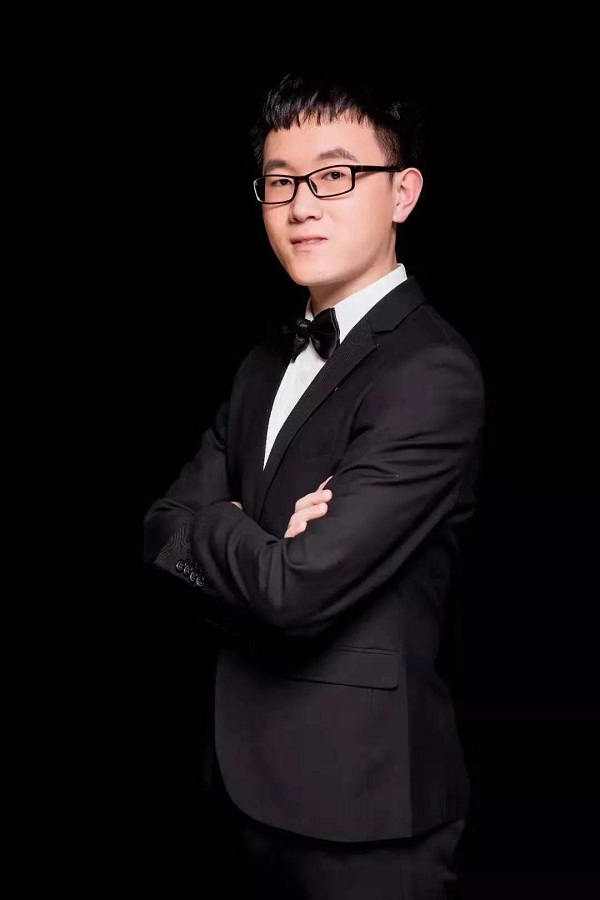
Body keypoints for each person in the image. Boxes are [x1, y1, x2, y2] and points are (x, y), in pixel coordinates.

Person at [143, 72, 485, 899]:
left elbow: (297, 592)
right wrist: (255, 538)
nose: (302, 206)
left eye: (335, 176)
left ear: (402, 193)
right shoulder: (262, 364)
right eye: (281, 181)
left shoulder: (431, 373)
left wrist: (221, 524)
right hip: (233, 789)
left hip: (362, 809)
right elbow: (157, 529)